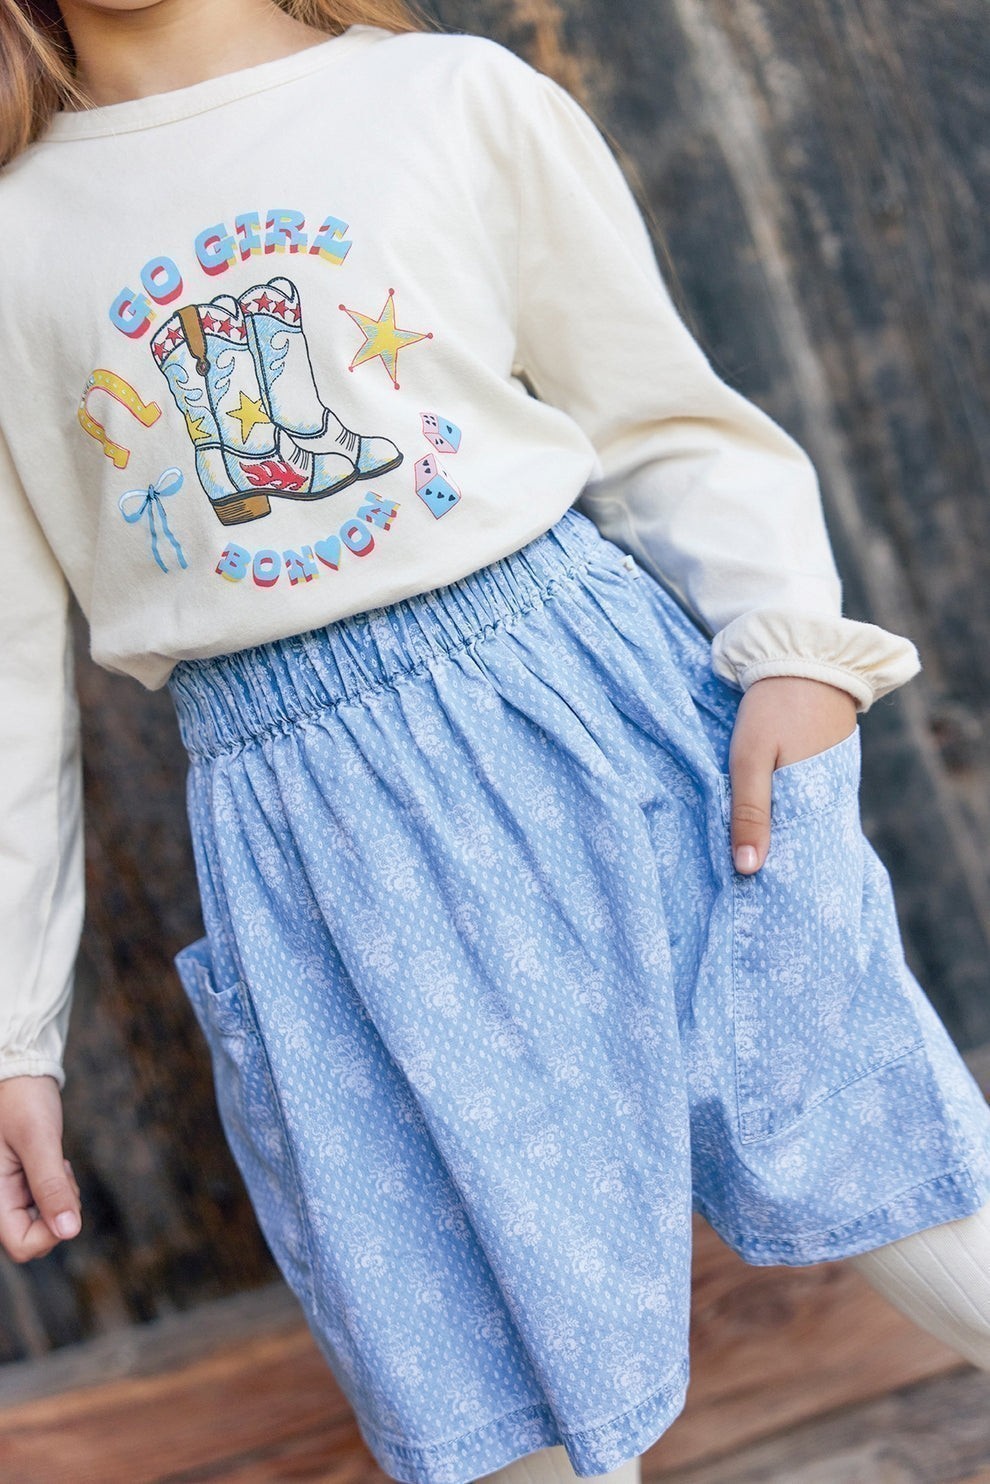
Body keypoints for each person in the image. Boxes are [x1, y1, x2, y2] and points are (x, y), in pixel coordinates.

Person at [1, 1, 989, 1480]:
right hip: (321, 842)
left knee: (903, 1173)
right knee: (484, 1347)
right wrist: (13, 1029)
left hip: (604, 719)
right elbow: (10, 682)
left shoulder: (447, 98)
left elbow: (659, 414)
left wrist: (796, 652)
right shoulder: (17, 234)